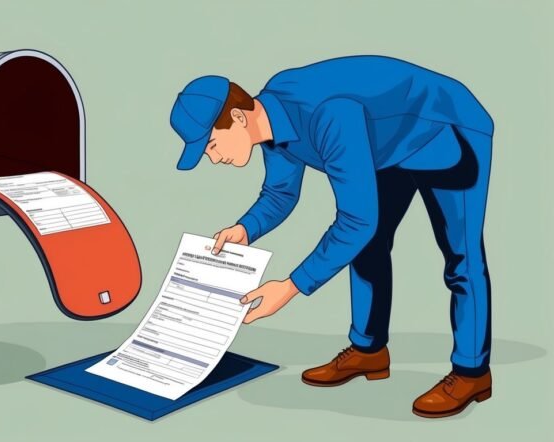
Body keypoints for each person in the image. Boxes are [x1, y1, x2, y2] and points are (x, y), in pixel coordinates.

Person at [169, 55, 493, 418]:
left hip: (447, 130)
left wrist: (290, 287)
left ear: (239, 118)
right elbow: (280, 194)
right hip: (388, 143)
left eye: (212, 145)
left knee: (461, 256)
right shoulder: (272, 126)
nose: (213, 159)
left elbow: (356, 220)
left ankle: (472, 373)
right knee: (368, 247)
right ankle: (369, 351)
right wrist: (245, 229)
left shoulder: (327, 114)